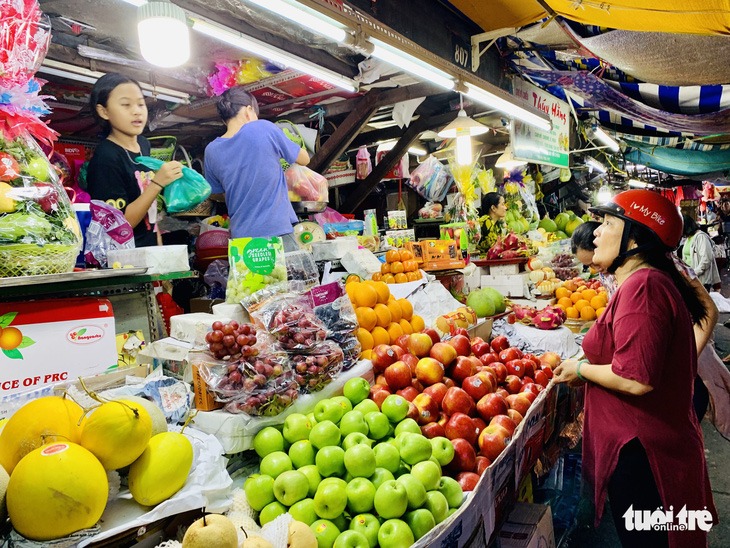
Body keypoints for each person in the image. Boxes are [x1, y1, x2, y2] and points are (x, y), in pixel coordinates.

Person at [555, 189, 717, 547]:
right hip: (643, 448)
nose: (596, 232)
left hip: (648, 458)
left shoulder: (643, 287)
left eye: (609, 223)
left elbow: (635, 379)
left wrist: (580, 371)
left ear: (636, 239)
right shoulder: (642, 283)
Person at [570, 218, 724, 430]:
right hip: (650, 370)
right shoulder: (612, 273)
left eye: (594, 262)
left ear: (628, 243)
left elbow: (708, 311)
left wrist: (686, 361)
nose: (595, 269)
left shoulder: (653, 275)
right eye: (589, 266)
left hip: (681, 368)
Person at [86, 73, 184, 247]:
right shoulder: (106, 157)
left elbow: (150, 213)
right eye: (126, 104)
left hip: (149, 252)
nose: (137, 111)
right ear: (104, 111)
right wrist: (157, 183)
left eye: (141, 104)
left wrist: (159, 248)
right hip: (124, 261)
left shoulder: (143, 144)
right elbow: (119, 227)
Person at [204, 87, 309, 245]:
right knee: (288, 271)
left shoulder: (211, 150)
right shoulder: (263, 128)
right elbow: (304, 159)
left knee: (250, 271)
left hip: (241, 239)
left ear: (223, 119)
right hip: (277, 233)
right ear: (248, 110)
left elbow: (218, 194)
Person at [682, 214, 721, 291]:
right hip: (691, 279)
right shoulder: (687, 239)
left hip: (701, 281)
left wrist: (695, 273)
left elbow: (706, 259)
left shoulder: (701, 237)